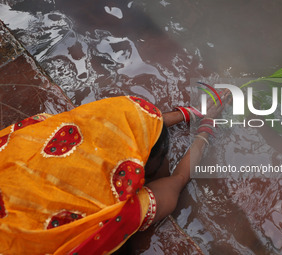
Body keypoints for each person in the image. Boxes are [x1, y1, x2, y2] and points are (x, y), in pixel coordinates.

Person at [0, 93, 228, 254]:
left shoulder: (36, 134)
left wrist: (192, 113)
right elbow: (177, 181)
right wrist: (206, 126)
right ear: (143, 168)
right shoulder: (117, 211)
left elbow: (107, 121)